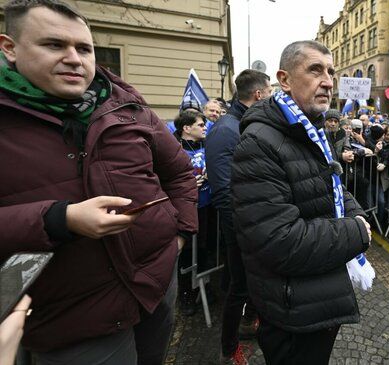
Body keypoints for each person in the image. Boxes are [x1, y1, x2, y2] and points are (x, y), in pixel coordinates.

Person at [0, 0, 197, 362]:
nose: (74, 58)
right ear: (9, 48)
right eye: (54, 45)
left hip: (155, 285)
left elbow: (181, 172)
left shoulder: (130, 107)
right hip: (70, 316)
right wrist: (59, 219)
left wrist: (179, 236)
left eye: (85, 48)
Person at [230, 40, 371, 364]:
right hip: (292, 310)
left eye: (331, 72)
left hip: (316, 298)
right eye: (315, 70)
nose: (328, 80)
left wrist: (357, 215)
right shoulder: (259, 143)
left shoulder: (310, 130)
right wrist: (357, 233)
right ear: (285, 79)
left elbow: (331, 186)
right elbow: (280, 241)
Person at [205, 69, 272, 363]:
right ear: (258, 94)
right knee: (239, 286)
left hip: (257, 222)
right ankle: (229, 349)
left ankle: (250, 322)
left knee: (253, 282)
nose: (271, 97)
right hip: (241, 227)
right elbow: (222, 190)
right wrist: (243, 232)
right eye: (269, 92)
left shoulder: (247, 123)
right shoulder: (225, 129)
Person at [173, 110, 211, 317]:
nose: (205, 127)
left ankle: (202, 286)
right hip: (185, 210)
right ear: (187, 128)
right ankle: (185, 293)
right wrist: (187, 185)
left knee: (204, 248)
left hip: (206, 207)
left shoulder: (207, 147)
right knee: (186, 252)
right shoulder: (174, 150)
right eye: (200, 124)